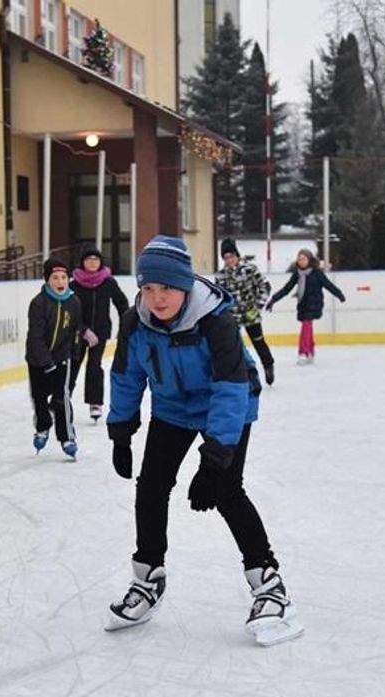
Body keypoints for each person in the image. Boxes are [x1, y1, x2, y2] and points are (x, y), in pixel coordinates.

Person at [104, 235, 302, 647]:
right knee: (151, 488)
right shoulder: (134, 322)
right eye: (149, 288)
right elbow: (126, 376)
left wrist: (214, 458)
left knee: (227, 491)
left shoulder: (217, 321)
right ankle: (148, 578)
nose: (157, 299)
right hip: (172, 409)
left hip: (228, 404)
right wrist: (121, 431)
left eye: (168, 289)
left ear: (186, 286)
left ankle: (268, 585)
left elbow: (230, 388)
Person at [26, 258, 83, 459]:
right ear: (48, 280)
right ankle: (42, 427)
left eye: (64, 277)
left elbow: (76, 331)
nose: (60, 282)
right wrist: (45, 363)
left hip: (62, 357)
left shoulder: (74, 302)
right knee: (39, 398)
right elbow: (35, 336)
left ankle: (67, 437)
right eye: (55, 277)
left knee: (62, 398)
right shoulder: (39, 304)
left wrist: (74, 356)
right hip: (37, 360)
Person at [70, 247, 130, 421]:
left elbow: (122, 303)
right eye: (88, 260)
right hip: (78, 333)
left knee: (94, 366)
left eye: (95, 260)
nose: (92, 263)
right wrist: (83, 330)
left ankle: (95, 403)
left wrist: (125, 325)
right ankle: (62, 399)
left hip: (101, 331)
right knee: (73, 365)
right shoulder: (74, 285)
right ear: (83, 263)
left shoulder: (108, 282)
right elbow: (70, 311)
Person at [266, 248, 345, 365]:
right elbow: (287, 289)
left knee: (306, 326)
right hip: (302, 303)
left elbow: (328, 285)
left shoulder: (317, 273)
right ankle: (311, 351)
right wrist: (273, 299)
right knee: (308, 327)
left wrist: (339, 294)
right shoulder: (297, 274)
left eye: (303, 259)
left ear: (309, 260)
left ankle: (303, 352)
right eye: (299, 259)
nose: (301, 261)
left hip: (315, 304)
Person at [214, 237, 276, 386]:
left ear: (237, 255)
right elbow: (219, 297)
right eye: (226, 257)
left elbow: (264, 286)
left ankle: (268, 364)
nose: (229, 260)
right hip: (232, 317)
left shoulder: (250, 269)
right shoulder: (221, 276)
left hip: (250, 313)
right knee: (235, 345)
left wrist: (257, 306)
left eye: (232, 256)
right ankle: (243, 373)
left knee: (258, 341)